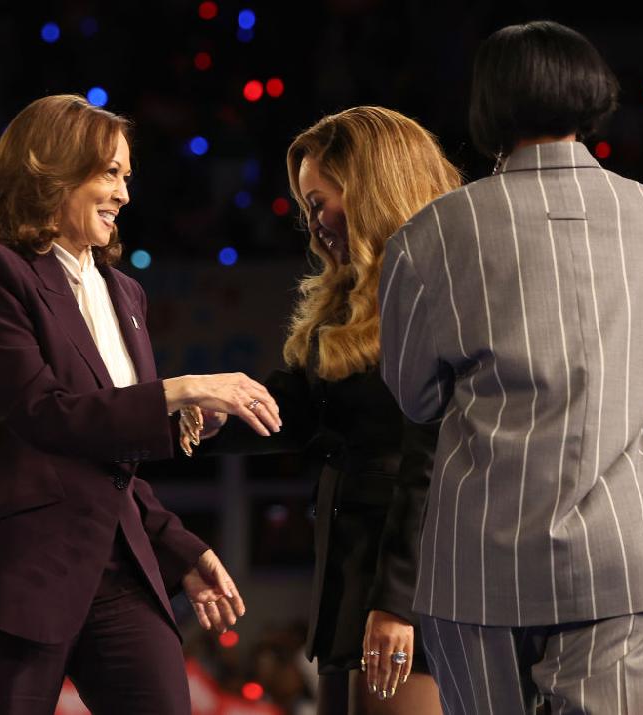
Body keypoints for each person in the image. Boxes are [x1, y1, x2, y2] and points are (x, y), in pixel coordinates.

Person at [0, 94, 282, 715]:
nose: (124, 194)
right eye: (110, 174)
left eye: (127, 176)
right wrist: (177, 390)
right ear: (52, 170)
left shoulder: (127, 292)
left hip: (118, 569)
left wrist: (182, 548)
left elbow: (111, 462)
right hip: (15, 570)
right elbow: (40, 412)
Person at [378, 21, 643, 715]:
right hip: (622, 557)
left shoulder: (428, 234)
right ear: (591, 94)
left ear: (487, 104)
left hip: (475, 568)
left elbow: (413, 396)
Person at [180, 106, 460, 714]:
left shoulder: (443, 294)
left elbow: (432, 461)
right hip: (354, 583)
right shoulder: (349, 301)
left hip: (412, 595)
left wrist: (396, 602)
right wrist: (193, 409)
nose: (313, 226)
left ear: (371, 191)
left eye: (318, 202)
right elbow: (300, 411)